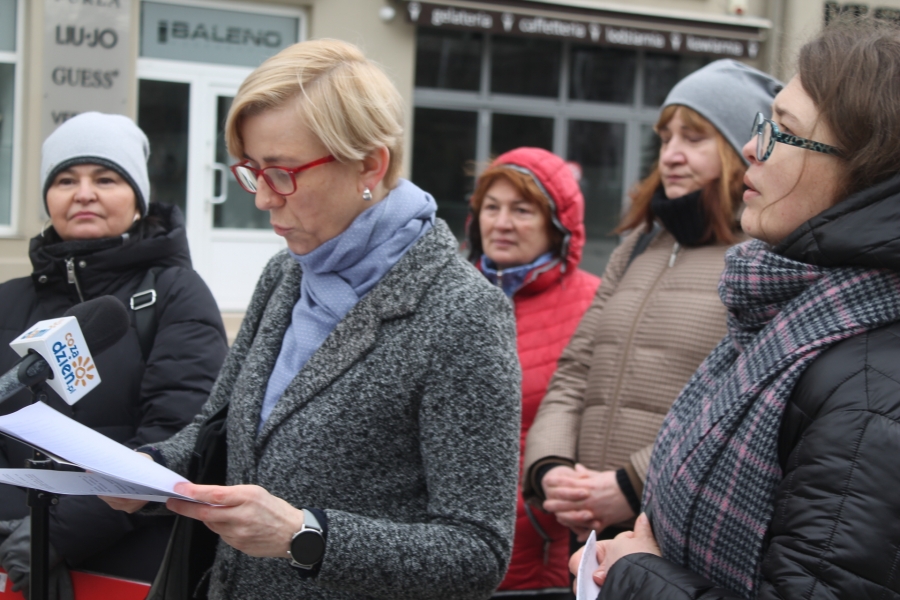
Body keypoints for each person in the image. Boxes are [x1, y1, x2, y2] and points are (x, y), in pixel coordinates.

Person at [102, 39, 521, 600]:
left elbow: (477, 551)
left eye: (281, 172)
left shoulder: (461, 311)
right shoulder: (286, 274)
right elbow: (216, 431)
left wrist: (305, 536)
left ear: (370, 164)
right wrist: (146, 471)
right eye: (252, 171)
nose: (263, 199)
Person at [569, 18, 900, 599]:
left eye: (783, 131)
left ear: (861, 174)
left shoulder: (870, 385)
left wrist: (634, 574)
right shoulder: (781, 303)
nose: (751, 146)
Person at [522, 61, 781, 540]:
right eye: (665, 139)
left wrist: (631, 484)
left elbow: (741, 402)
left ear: (742, 150)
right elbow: (576, 370)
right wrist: (551, 467)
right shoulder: (639, 246)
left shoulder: (764, 260)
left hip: (678, 534)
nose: (671, 155)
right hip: (590, 532)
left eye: (694, 138)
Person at [0, 112, 228, 594]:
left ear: (138, 198)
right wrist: (17, 535)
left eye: (105, 179)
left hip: (129, 568)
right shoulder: (8, 301)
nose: (84, 193)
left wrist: (56, 536)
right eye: (66, 180)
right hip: (12, 561)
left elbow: (177, 434)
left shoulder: (176, 294)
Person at [467, 148, 600, 599]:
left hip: (547, 559)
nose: (502, 223)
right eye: (491, 207)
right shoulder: (450, 296)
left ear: (558, 223)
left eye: (522, 210)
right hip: (453, 550)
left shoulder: (595, 303)